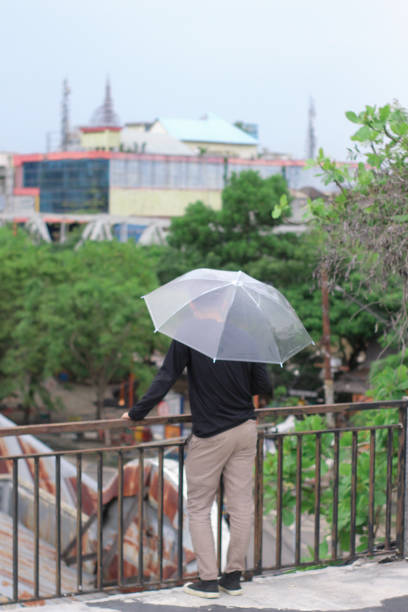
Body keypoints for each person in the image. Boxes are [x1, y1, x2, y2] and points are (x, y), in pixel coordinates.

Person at [121, 339, 272, 599]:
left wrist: (136, 413)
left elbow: (166, 376)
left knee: (199, 506)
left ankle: (208, 580)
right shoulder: (243, 335)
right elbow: (264, 386)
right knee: (241, 505)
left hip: (212, 433)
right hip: (246, 429)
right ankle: (233, 577)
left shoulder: (190, 336)